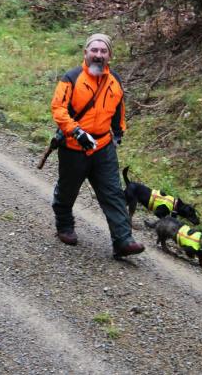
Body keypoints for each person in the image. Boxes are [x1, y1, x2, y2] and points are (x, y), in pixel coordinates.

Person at [49, 33, 145, 257]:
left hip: (103, 146)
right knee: (68, 189)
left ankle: (123, 240)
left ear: (109, 55)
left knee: (113, 193)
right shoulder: (71, 78)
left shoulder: (115, 81)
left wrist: (119, 132)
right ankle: (64, 225)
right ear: (85, 53)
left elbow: (119, 110)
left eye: (103, 51)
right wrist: (76, 131)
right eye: (94, 50)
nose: (98, 55)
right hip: (74, 147)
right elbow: (58, 110)